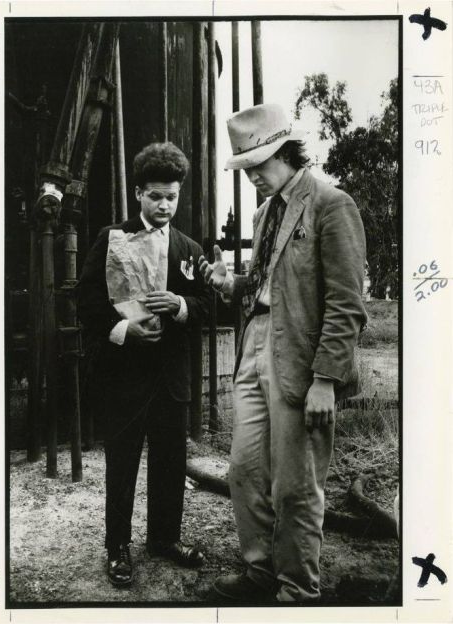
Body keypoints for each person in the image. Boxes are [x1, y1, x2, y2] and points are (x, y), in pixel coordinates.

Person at [199, 103, 367, 603]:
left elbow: (346, 304)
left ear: (287, 152)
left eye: (260, 165)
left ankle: (297, 592)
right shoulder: (263, 211)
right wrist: (231, 282)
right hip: (255, 347)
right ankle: (260, 573)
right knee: (244, 469)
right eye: (246, 169)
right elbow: (266, 284)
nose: (253, 177)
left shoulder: (331, 204)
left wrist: (325, 379)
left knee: (296, 485)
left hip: (301, 357)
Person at [78, 142, 211, 588]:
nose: (164, 205)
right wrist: (124, 331)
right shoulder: (111, 239)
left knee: (171, 461)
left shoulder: (189, 248)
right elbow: (86, 300)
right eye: (155, 196)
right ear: (138, 194)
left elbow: (211, 306)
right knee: (122, 464)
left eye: (171, 197)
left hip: (171, 380)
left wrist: (181, 304)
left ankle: (164, 539)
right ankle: (118, 547)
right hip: (124, 379)